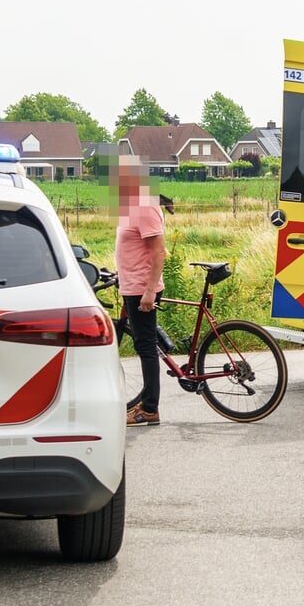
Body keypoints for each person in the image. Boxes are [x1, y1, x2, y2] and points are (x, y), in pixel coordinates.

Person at [114, 155, 167, 427]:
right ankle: (146, 401)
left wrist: (149, 291)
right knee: (144, 344)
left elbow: (159, 252)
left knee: (146, 347)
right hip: (131, 285)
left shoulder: (145, 206)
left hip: (141, 288)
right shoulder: (131, 206)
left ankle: (149, 409)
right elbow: (132, 248)